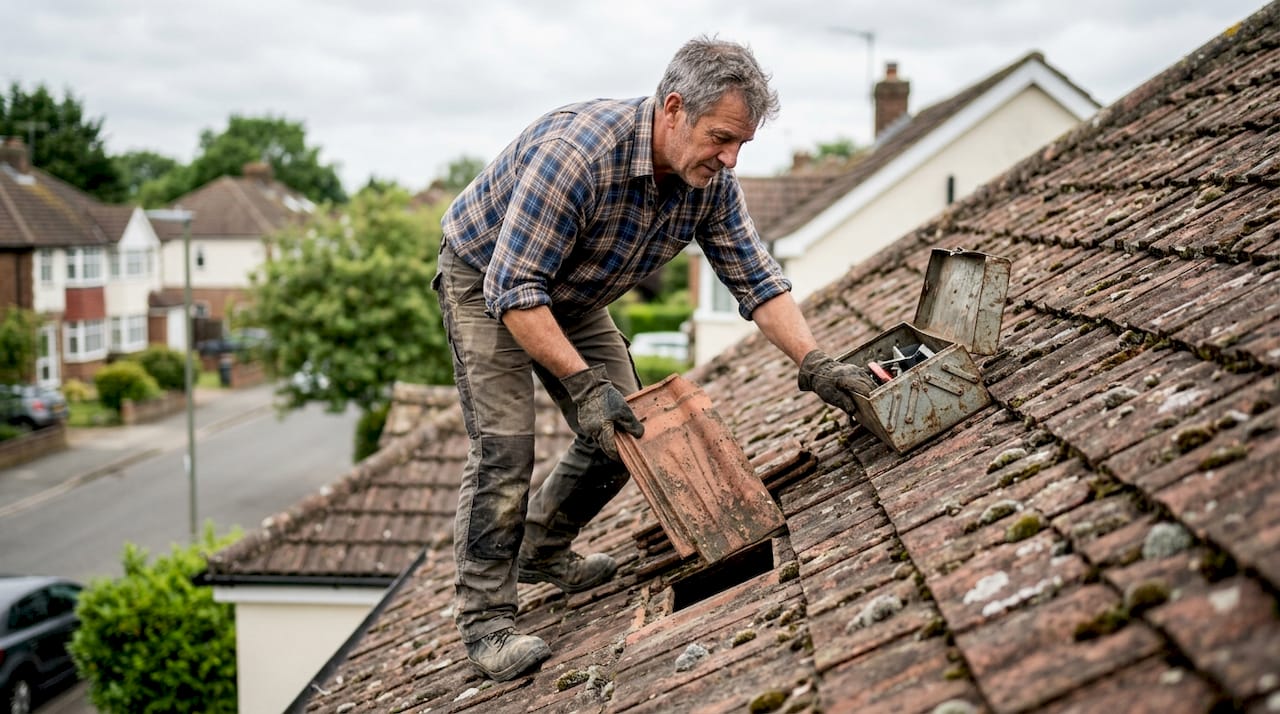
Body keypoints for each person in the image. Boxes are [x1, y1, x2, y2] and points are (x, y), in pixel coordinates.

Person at [433, 35, 874, 682]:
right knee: (506, 445)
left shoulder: (708, 185)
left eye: (741, 146)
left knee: (626, 432)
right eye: (721, 138)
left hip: (574, 291)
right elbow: (515, 289)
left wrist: (818, 363)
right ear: (673, 108)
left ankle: (543, 549)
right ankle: (485, 619)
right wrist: (581, 384)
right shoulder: (577, 157)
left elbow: (757, 278)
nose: (729, 159)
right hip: (487, 281)